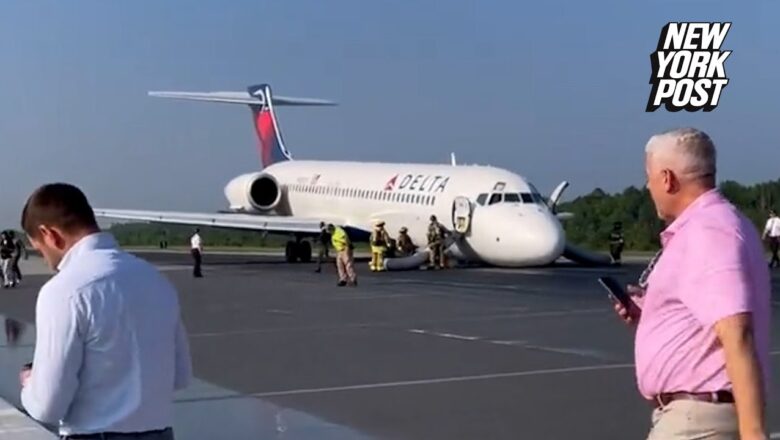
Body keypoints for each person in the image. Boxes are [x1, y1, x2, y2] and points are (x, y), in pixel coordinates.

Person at [613, 128, 770, 440]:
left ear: (668, 179)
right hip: (693, 418)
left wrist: (753, 434)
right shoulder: (717, 226)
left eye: (650, 177)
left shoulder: (709, 231)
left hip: (697, 422)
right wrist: (651, 318)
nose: (648, 187)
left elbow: (736, 332)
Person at [18, 182, 192, 439]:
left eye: (40, 248)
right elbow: (180, 376)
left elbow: (47, 407)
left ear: (50, 234)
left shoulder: (65, 290)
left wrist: (30, 383)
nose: (45, 258)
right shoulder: (154, 278)